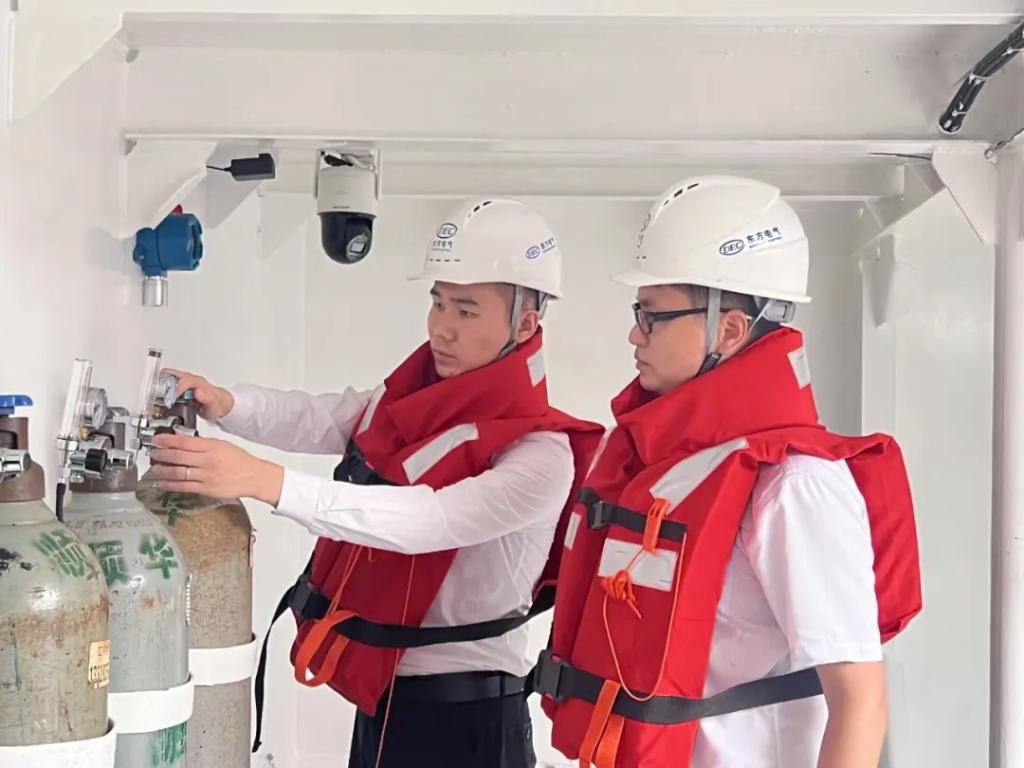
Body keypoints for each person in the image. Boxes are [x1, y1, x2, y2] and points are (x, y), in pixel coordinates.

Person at [150, 197, 602, 768]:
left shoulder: (540, 455)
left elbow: (426, 521)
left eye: (466, 311)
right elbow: (323, 417)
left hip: (471, 722)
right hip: (387, 702)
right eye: (437, 303)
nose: (441, 328)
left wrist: (266, 482)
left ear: (526, 324)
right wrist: (226, 403)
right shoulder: (420, 405)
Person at [535, 176, 922, 768]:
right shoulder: (668, 464)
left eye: (653, 316)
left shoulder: (796, 485)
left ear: (730, 329)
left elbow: (860, 702)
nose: (635, 333)